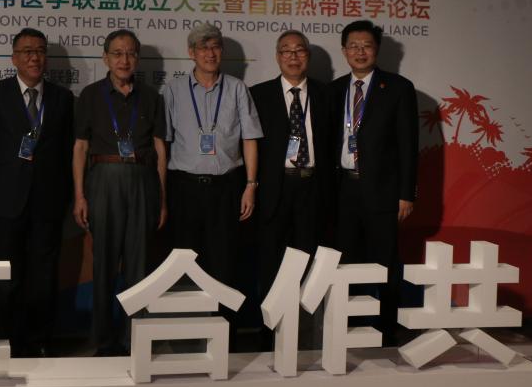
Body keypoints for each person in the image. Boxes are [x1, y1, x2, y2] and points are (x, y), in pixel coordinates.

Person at [0, 28, 74, 358]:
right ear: (14, 58)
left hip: (48, 202)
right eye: (27, 51)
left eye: (40, 51)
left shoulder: (63, 98)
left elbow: (68, 152)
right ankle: (8, 339)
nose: (35, 57)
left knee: (44, 275)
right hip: (6, 202)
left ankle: (40, 340)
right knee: (9, 275)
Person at [73, 29, 166, 356]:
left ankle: (134, 338)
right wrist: (80, 196)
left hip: (142, 180)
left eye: (130, 53)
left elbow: (160, 149)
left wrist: (162, 198)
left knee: (139, 264)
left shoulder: (152, 97)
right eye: (117, 53)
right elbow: (80, 148)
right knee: (104, 263)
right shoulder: (90, 96)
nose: (124, 60)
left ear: (137, 59)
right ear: (105, 58)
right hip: (104, 181)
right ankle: (102, 339)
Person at [332, 19, 418, 345]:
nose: (360, 52)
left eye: (366, 45)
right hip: (343, 190)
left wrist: (406, 194)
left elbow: (409, 146)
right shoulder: (334, 90)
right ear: (344, 51)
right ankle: (349, 330)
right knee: (346, 263)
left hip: (382, 192)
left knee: (385, 264)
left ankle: (385, 331)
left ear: (376, 49)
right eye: (353, 46)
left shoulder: (398, 88)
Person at [162, 23, 262, 292]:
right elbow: (164, 143)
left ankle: (224, 318)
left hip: (226, 189)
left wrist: (250, 186)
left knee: (225, 261)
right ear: (191, 53)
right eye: (203, 48)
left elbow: (250, 139)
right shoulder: (173, 90)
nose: (210, 53)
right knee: (184, 260)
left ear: (222, 51)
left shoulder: (237, 88)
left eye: (215, 47)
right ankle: (188, 317)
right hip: (184, 189)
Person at [250, 30, 330, 346]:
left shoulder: (326, 94)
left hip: (313, 187)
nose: (293, 57)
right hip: (275, 189)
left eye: (299, 51)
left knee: (310, 262)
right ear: (277, 56)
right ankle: (269, 333)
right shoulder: (258, 95)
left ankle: (304, 335)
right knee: (271, 262)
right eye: (286, 51)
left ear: (308, 56)